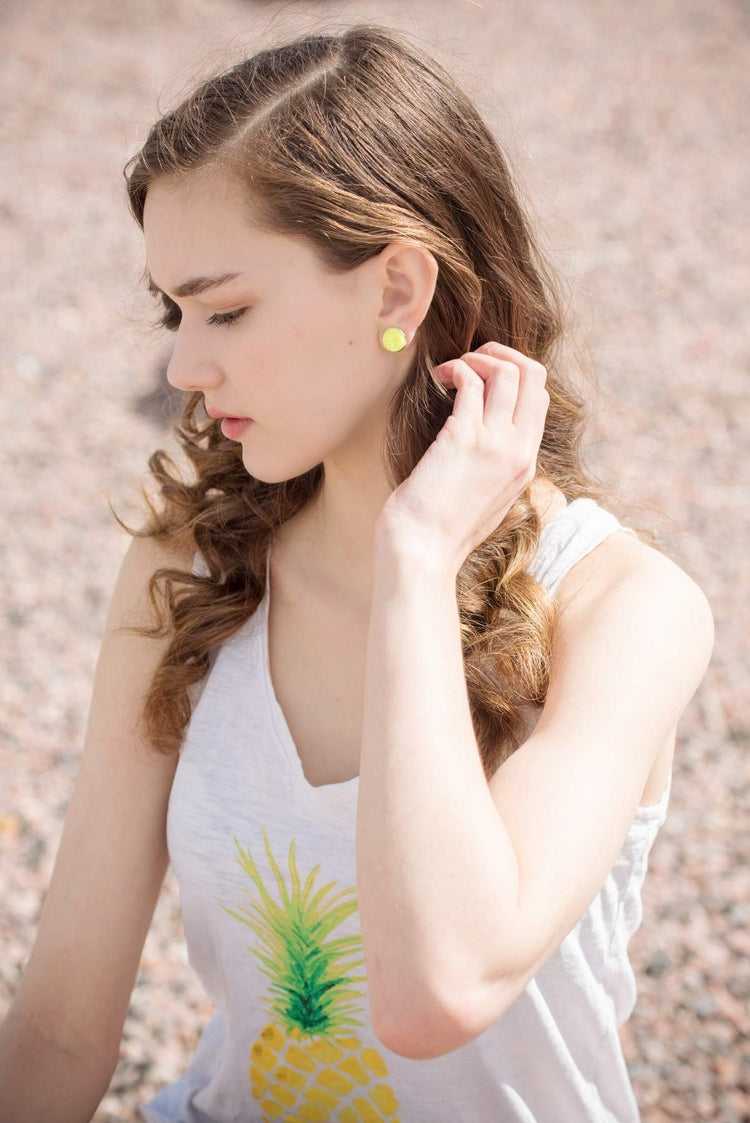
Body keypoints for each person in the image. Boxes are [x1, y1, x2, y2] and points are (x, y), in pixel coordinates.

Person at [0, 22, 714, 1123]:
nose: (185, 368)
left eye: (227, 308)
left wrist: (418, 560)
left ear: (396, 290)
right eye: (173, 313)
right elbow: (58, 1024)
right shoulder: (187, 567)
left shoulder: (625, 611)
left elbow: (438, 990)